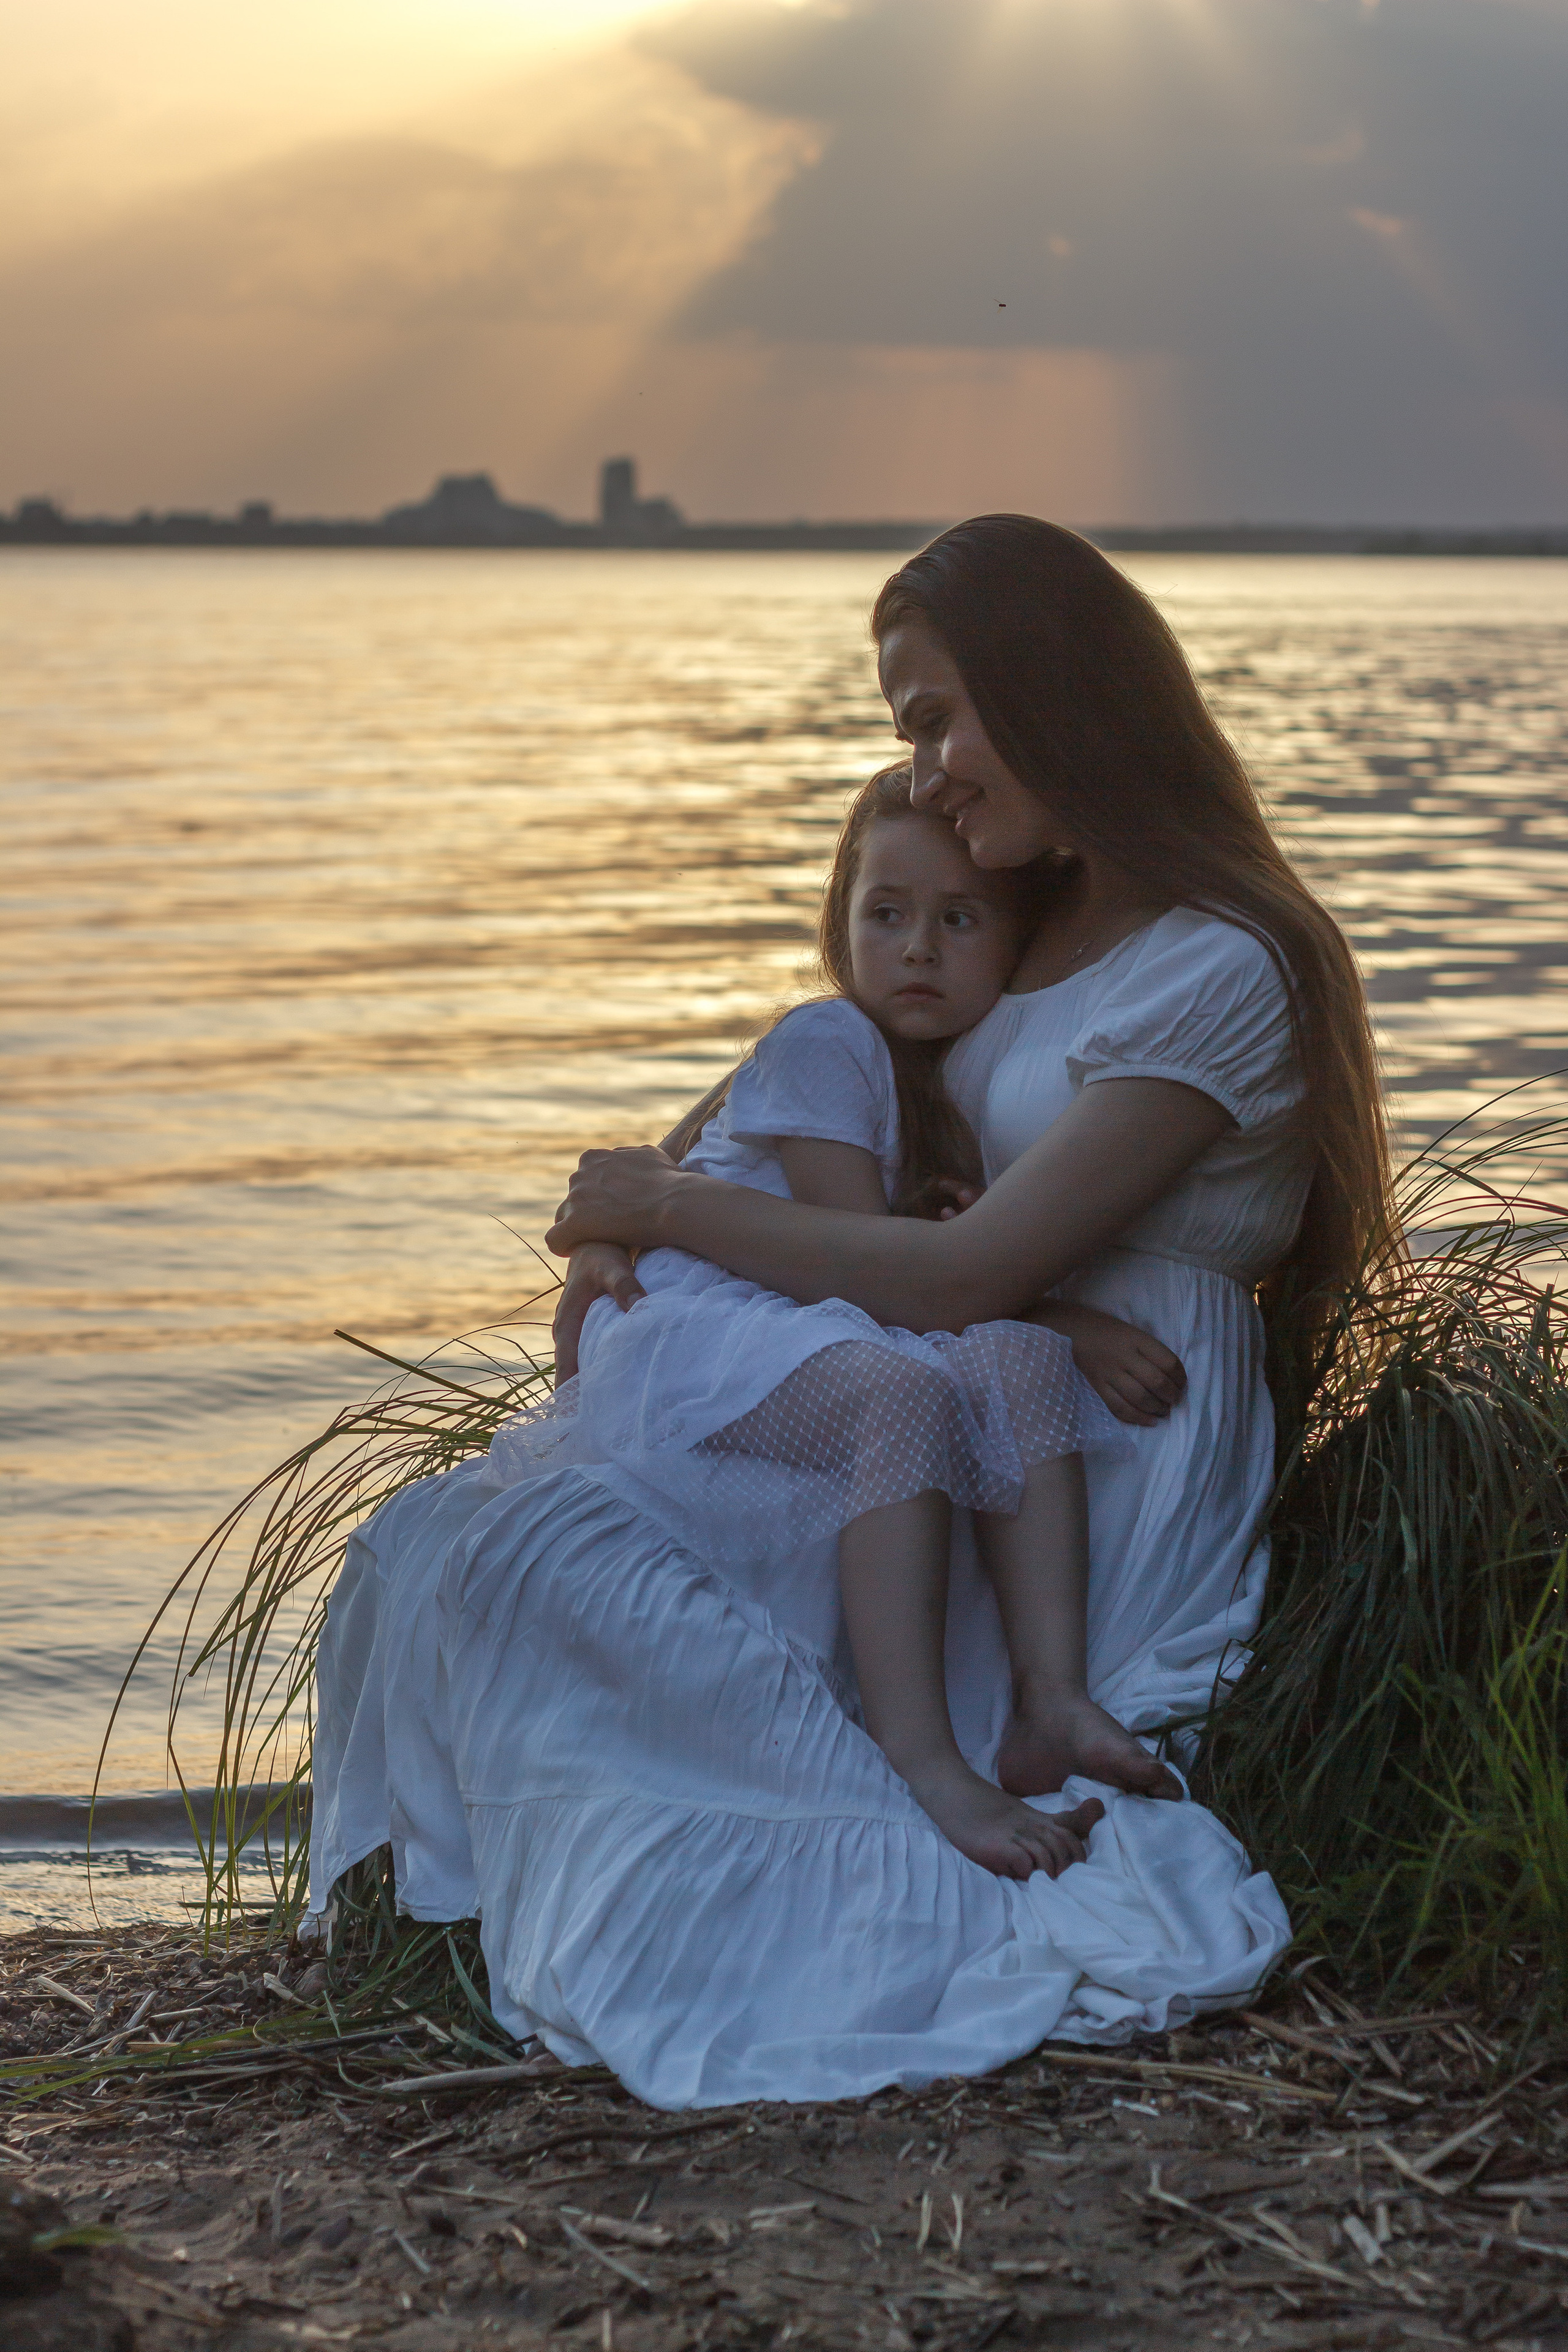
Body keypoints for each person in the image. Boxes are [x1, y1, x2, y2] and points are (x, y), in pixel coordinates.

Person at [309, 515, 1391, 2109]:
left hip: (1109, 1424)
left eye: (938, 720)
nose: (927, 770)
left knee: (638, 1588)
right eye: (910, 730)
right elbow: (746, 1118)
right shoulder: (1009, 915)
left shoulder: (1219, 965)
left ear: (1056, 691)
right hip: (966, 1362)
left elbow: (960, 1270)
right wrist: (623, 1225)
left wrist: (667, 1213)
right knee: (509, 1554)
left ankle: (950, 1761)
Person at [484, 761, 1180, 1883]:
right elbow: (860, 1262)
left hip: (796, 1304)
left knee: (1018, 1362)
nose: (919, 949)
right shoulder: (829, 1040)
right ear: (840, 926)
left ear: (1014, 943)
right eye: (886, 915)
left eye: (959, 920)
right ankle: (925, 1759)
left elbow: (895, 1263)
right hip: (695, 1313)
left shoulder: (954, 1078)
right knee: (900, 1392)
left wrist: (1034, 1320)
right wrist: (1071, 1315)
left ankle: (1050, 1697)